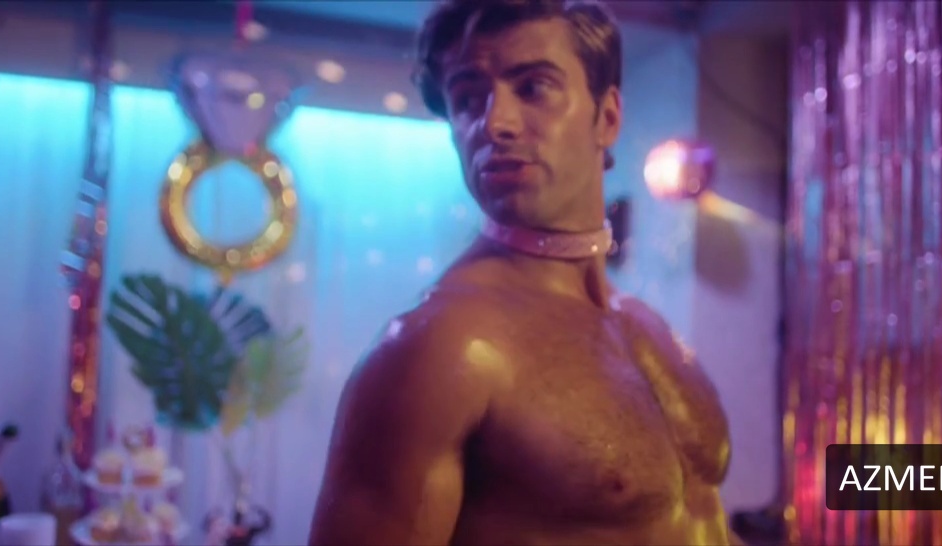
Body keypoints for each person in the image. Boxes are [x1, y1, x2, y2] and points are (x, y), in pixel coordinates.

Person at [308, 0, 735, 544]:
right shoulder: (440, 347)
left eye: (533, 88)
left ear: (607, 117)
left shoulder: (648, 327)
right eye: (467, 99)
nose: (495, 124)